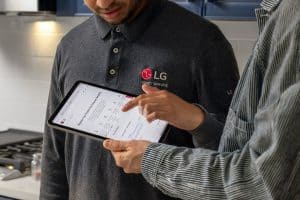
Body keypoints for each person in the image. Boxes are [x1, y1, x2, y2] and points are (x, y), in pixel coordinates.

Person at [40, 0, 239, 199]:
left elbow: (234, 157)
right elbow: (54, 154)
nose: (104, 3)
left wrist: (196, 119)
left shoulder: (204, 41)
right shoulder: (70, 45)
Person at [103, 0, 300, 199]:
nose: (103, 2)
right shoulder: (72, 44)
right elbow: (237, 149)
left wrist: (151, 160)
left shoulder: (292, 18)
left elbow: (260, 182)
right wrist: (197, 121)